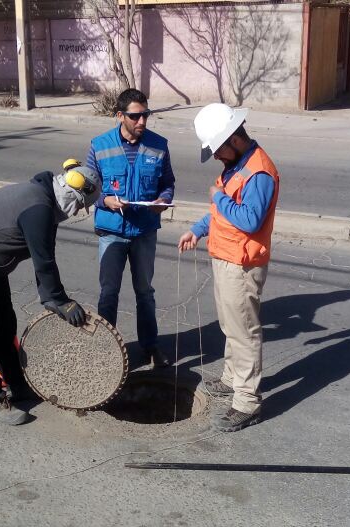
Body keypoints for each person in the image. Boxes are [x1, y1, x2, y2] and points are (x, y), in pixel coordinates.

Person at [0, 160, 101, 425]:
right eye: (80, 205)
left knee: (5, 327)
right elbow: (44, 261)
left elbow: (44, 255)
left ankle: (17, 382)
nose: (77, 212)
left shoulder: (46, 199)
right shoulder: (38, 208)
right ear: (73, 192)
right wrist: (59, 300)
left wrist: (52, 298)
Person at [177, 103, 279, 433]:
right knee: (230, 325)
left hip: (242, 264)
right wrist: (198, 229)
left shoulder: (258, 172)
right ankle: (232, 378)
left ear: (233, 139)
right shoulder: (237, 164)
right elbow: (221, 212)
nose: (216, 157)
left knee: (244, 331)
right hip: (225, 257)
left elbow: (249, 220)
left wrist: (217, 198)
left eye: (217, 150)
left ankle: (247, 402)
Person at [88, 88, 176, 369]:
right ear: (120, 115)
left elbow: (168, 183)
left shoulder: (159, 145)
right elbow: (88, 187)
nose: (142, 121)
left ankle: (150, 347)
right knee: (108, 293)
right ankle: (104, 351)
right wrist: (105, 200)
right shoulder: (100, 145)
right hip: (111, 232)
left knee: (145, 292)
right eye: (135, 116)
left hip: (144, 232)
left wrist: (163, 200)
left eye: (145, 115)